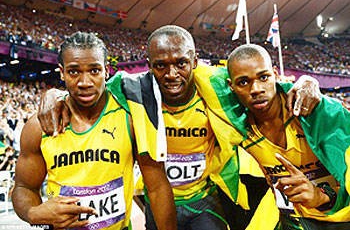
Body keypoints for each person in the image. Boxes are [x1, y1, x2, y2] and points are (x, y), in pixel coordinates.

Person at [37, 26, 321, 230]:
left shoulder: (217, 87)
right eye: (161, 66)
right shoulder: (133, 90)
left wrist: (308, 81)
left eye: (181, 63)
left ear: (195, 62)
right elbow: (87, 88)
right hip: (157, 200)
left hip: (204, 200)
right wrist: (54, 96)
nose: (171, 74)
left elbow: (263, 85)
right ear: (148, 66)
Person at [12, 32, 177, 230]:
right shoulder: (40, 126)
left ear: (106, 71)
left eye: (94, 70)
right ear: (61, 72)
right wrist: (33, 212)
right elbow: (24, 187)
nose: (85, 82)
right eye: (74, 72)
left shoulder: (130, 116)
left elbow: (157, 187)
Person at [226, 44, 350, 229]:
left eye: (264, 77)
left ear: (275, 74)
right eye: (243, 82)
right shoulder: (235, 125)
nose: (256, 89)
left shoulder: (313, 111)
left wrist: (321, 196)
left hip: (340, 218)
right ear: (231, 86)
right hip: (290, 222)